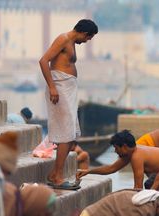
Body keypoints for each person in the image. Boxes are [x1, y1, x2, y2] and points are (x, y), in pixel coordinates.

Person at [40, 19, 97, 190]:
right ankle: (56, 176)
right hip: (59, 86)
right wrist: (52, 87)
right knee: (66, 132)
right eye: (88, 38)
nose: (86, 41)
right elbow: (43, 61)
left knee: (70, 132)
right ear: (84, 33)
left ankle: (55, 174)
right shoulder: (63, 39)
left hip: (68, 88)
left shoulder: (71, 42)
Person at [76, 130, 159, 189]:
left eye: (116, 148)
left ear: (124, 146)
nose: (115, 151)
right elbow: (111, 169)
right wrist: (88, 171)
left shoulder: (136, 156)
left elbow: (138, 187)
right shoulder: (131, 153)